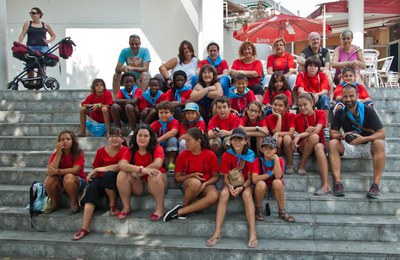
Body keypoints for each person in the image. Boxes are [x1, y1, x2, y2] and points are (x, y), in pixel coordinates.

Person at [328, 84, 386, 198]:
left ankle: (375, 185)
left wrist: (364, 139)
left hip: (369, 145)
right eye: (345, 97)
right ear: (341, 97)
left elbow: (382, 133)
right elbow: (332, 133)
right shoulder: (340, 112)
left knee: (379, 142)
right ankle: (338, 183)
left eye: (351, 96)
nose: (348, 99)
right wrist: (342, 136)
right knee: (332, 143)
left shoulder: (368, 110)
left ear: (357, 96)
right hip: (351, 146)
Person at [72, 127, 128, 240]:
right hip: (101, 180)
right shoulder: (100, 151)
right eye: (112, 136)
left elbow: (119, 167)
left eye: (118, 136)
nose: (114, 138)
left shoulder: (126, 150)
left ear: (122, 139)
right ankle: (85, 227)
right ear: (108, 138)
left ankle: (112, 205)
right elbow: (95, 168)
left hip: (117, 181)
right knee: (92, 187)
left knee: (109, 175)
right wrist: (94, 172)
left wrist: (98, 170)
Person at [206, 127, 258, 248]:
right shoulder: (226, 155)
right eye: (234, 139)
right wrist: (229, 186)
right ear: (230, 140)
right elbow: (225, 177)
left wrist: (242, 188)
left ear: (245, 141)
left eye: (240, 139)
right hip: (231, 183)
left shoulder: (250, 155)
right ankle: (217, 232)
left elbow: (250, 179)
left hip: (246, 184)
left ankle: (252, 233)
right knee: (223, 194)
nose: (237, 142)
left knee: (247, 195)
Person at [163, 128, 219, 221]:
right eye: (185, 140)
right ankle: (186, 207)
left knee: (214, 196)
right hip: (189, 184)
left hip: (206, 183)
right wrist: (191, 176)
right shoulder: (182, 155)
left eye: (188, 140)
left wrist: (205, 184)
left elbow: (215, 177)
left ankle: (181, 211)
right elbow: (177, 178)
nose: (185, 144)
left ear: (198, 141)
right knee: (195, 183)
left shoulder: (210, 154)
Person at [116, 124, 167, 220]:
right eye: (140, 135)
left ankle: (160, 209)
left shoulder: (157, 148)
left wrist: (141, 173)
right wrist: (141, 169)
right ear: (135, 136)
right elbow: (121, 165)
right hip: (138, 184)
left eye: (146, 136)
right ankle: (126, 207)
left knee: (154, 173)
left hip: (157, 182)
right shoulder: (131, 150)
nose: (142, 138)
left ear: (150, 138)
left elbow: (157, 164)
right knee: (122, 173)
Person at [293, 93, 330, 196]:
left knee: (317, 142)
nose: (302, 107)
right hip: (304, 146)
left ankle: (326, 185)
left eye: (305, 104)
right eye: (300, 106)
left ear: (312, 103)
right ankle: (302, 164)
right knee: (314, 137)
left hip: (319, 144)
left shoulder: (320, 113)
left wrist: (299, 135)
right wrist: (303, 135)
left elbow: (317, 130)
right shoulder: (297, 117)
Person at [252, 137, 295, 222]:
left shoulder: (280, 160)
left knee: (277, 182)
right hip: (261, 186)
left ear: (275, 150)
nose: (268, 150)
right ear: (261, 149)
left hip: (274, 185)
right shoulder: (258, 160)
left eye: (271, 148)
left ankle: (281, 210)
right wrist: (270, 173)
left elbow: (278, 176)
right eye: (265, 148)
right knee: (261, 183)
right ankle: (258, 209)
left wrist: (276, 159)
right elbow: (254, 179)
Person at [44, 130, 85, 215]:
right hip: (61, 181)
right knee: (49, 180)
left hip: (77, 181)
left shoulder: (79, 152)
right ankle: (54, 204)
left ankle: (75, 205)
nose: (65, 141)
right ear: (59, 142)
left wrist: (57, 171)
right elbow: (50, 171)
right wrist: (58, 154)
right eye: (62, 139)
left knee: (68, 177)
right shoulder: (56, 153)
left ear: (72, 141)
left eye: (68, 139)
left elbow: (75, 170)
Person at [18, 7, 56, 78]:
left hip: (43, 47)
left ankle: (39, 85)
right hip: (31, 47)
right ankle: (30, 85)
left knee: (41, 66)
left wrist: (48, 41)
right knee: (30, 66)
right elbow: (23, 34)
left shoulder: (45, 25)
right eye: (30, 13)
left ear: (39, 14)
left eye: (34, 13)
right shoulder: (27, 23)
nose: (32, 15)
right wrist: (19, 44)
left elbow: (53, 35)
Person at [298, 32, 334, 99]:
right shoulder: (304, 52)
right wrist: (311, 64)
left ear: (320, 40)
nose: (316, 41)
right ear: (309, 40)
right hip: (309, 73)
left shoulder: (325, 52)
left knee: (328, 73)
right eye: (313, 39)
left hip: (321, 73)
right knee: (300, 68)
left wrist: (317, 68)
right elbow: (299, 60)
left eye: (317, 39)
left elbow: (327, 67)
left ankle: (331, 98)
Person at [265, 94, 296, 174]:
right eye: (275, 105)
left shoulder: (291, 116)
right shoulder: (269, 118)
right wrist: (279, 117)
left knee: (286, 138)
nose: (277, 108)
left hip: (288, 145)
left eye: (281, 105)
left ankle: (289, 164)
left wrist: (278, 133)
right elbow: (275, 132)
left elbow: (291, 132)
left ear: (286, 107)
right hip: (276, 144)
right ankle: (277, 163)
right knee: (279, 138)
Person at [150, 101, 180, 173]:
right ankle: (160, 162)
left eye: (166, 112)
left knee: (172, 139)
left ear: (172, 114)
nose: (163, 115)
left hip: (171, 145)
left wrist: (158, 139)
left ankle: (171, 163)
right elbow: (149, 131)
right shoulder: (156, 123)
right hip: (159, 145)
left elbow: (173, 132)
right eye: (161, 113)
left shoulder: (174, 121)